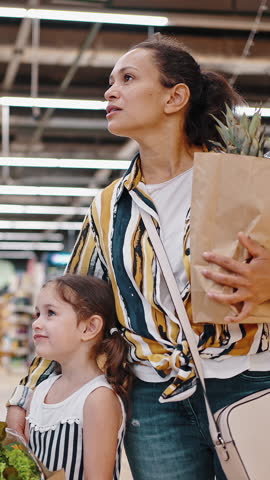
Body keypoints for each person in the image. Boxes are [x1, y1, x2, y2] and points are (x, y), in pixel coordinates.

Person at [7, 34, 270, 480]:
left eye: (127, 79)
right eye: (111, 81)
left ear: (175, 97)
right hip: (154, 402)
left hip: (250, 385)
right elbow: (71, 306)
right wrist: (24, 396)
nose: (110, 91)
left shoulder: (243, 182)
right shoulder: (109, 208)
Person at [25, 274, 130, 480]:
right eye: (37, 314)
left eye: (51, 313)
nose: (36, 323)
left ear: (89, 327)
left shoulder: (97, 399)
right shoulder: (42, 390)